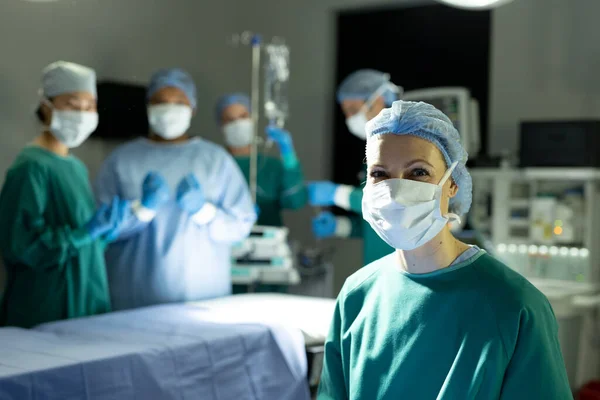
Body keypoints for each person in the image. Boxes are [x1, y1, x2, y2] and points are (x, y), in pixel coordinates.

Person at [318, 101, 572, 399]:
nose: (396, 189)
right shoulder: (357, 296)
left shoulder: (514, 306)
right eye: (379, 174)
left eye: (418, 172)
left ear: (452, 183)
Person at [95, 68, 256, 310]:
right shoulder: (121, 161)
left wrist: (204, 211)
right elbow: (101, 228)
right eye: (160, 102)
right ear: (148, 106)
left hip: (203, 298)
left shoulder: (215, 159)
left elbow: (239, 226)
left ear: (192, 108)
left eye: (179, 102)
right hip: (132, 299)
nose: (169, 108)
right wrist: (141, 211)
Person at [0, 61, 127, 328]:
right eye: (72, 104)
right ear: (46, 107)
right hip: (47, 305)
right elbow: (20, 246)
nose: (83, 113)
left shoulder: (75, 167)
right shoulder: (31, 167)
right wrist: (85, 234)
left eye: (90, 106)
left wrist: (101, 235)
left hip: (86, 298)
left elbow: (77, 240)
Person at [307, 69, 401, 266]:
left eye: (353, 110)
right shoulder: (375, 150)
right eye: (345, 112)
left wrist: (337, 194)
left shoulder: (404, 146)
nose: (349, 118)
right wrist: (340, 226)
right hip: (379, 267)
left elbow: (391, 205)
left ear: (377, 101)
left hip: (406, 269)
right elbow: (377, 222)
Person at [215, 93, 307, 227]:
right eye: (229, 120)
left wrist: (288, 155)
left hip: (267, 244)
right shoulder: (215, 166)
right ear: (221, 125)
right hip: (226, 243)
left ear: (253, 119)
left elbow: (296, 202)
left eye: (243, 117)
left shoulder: (271, 166)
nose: (237, 124)